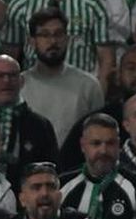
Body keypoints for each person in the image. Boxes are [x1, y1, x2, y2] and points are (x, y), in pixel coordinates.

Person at [16, 8, 105, 148]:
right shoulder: (20, 85)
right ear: (32, 42)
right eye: (45, 35)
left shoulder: (88, 85)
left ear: (67, 39)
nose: (53, 41)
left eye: (58, 34)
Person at [0, 52, 59, 175]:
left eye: (12, 75)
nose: (6, 81)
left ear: (21, 81)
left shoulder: (41, 126)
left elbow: (51, 171)